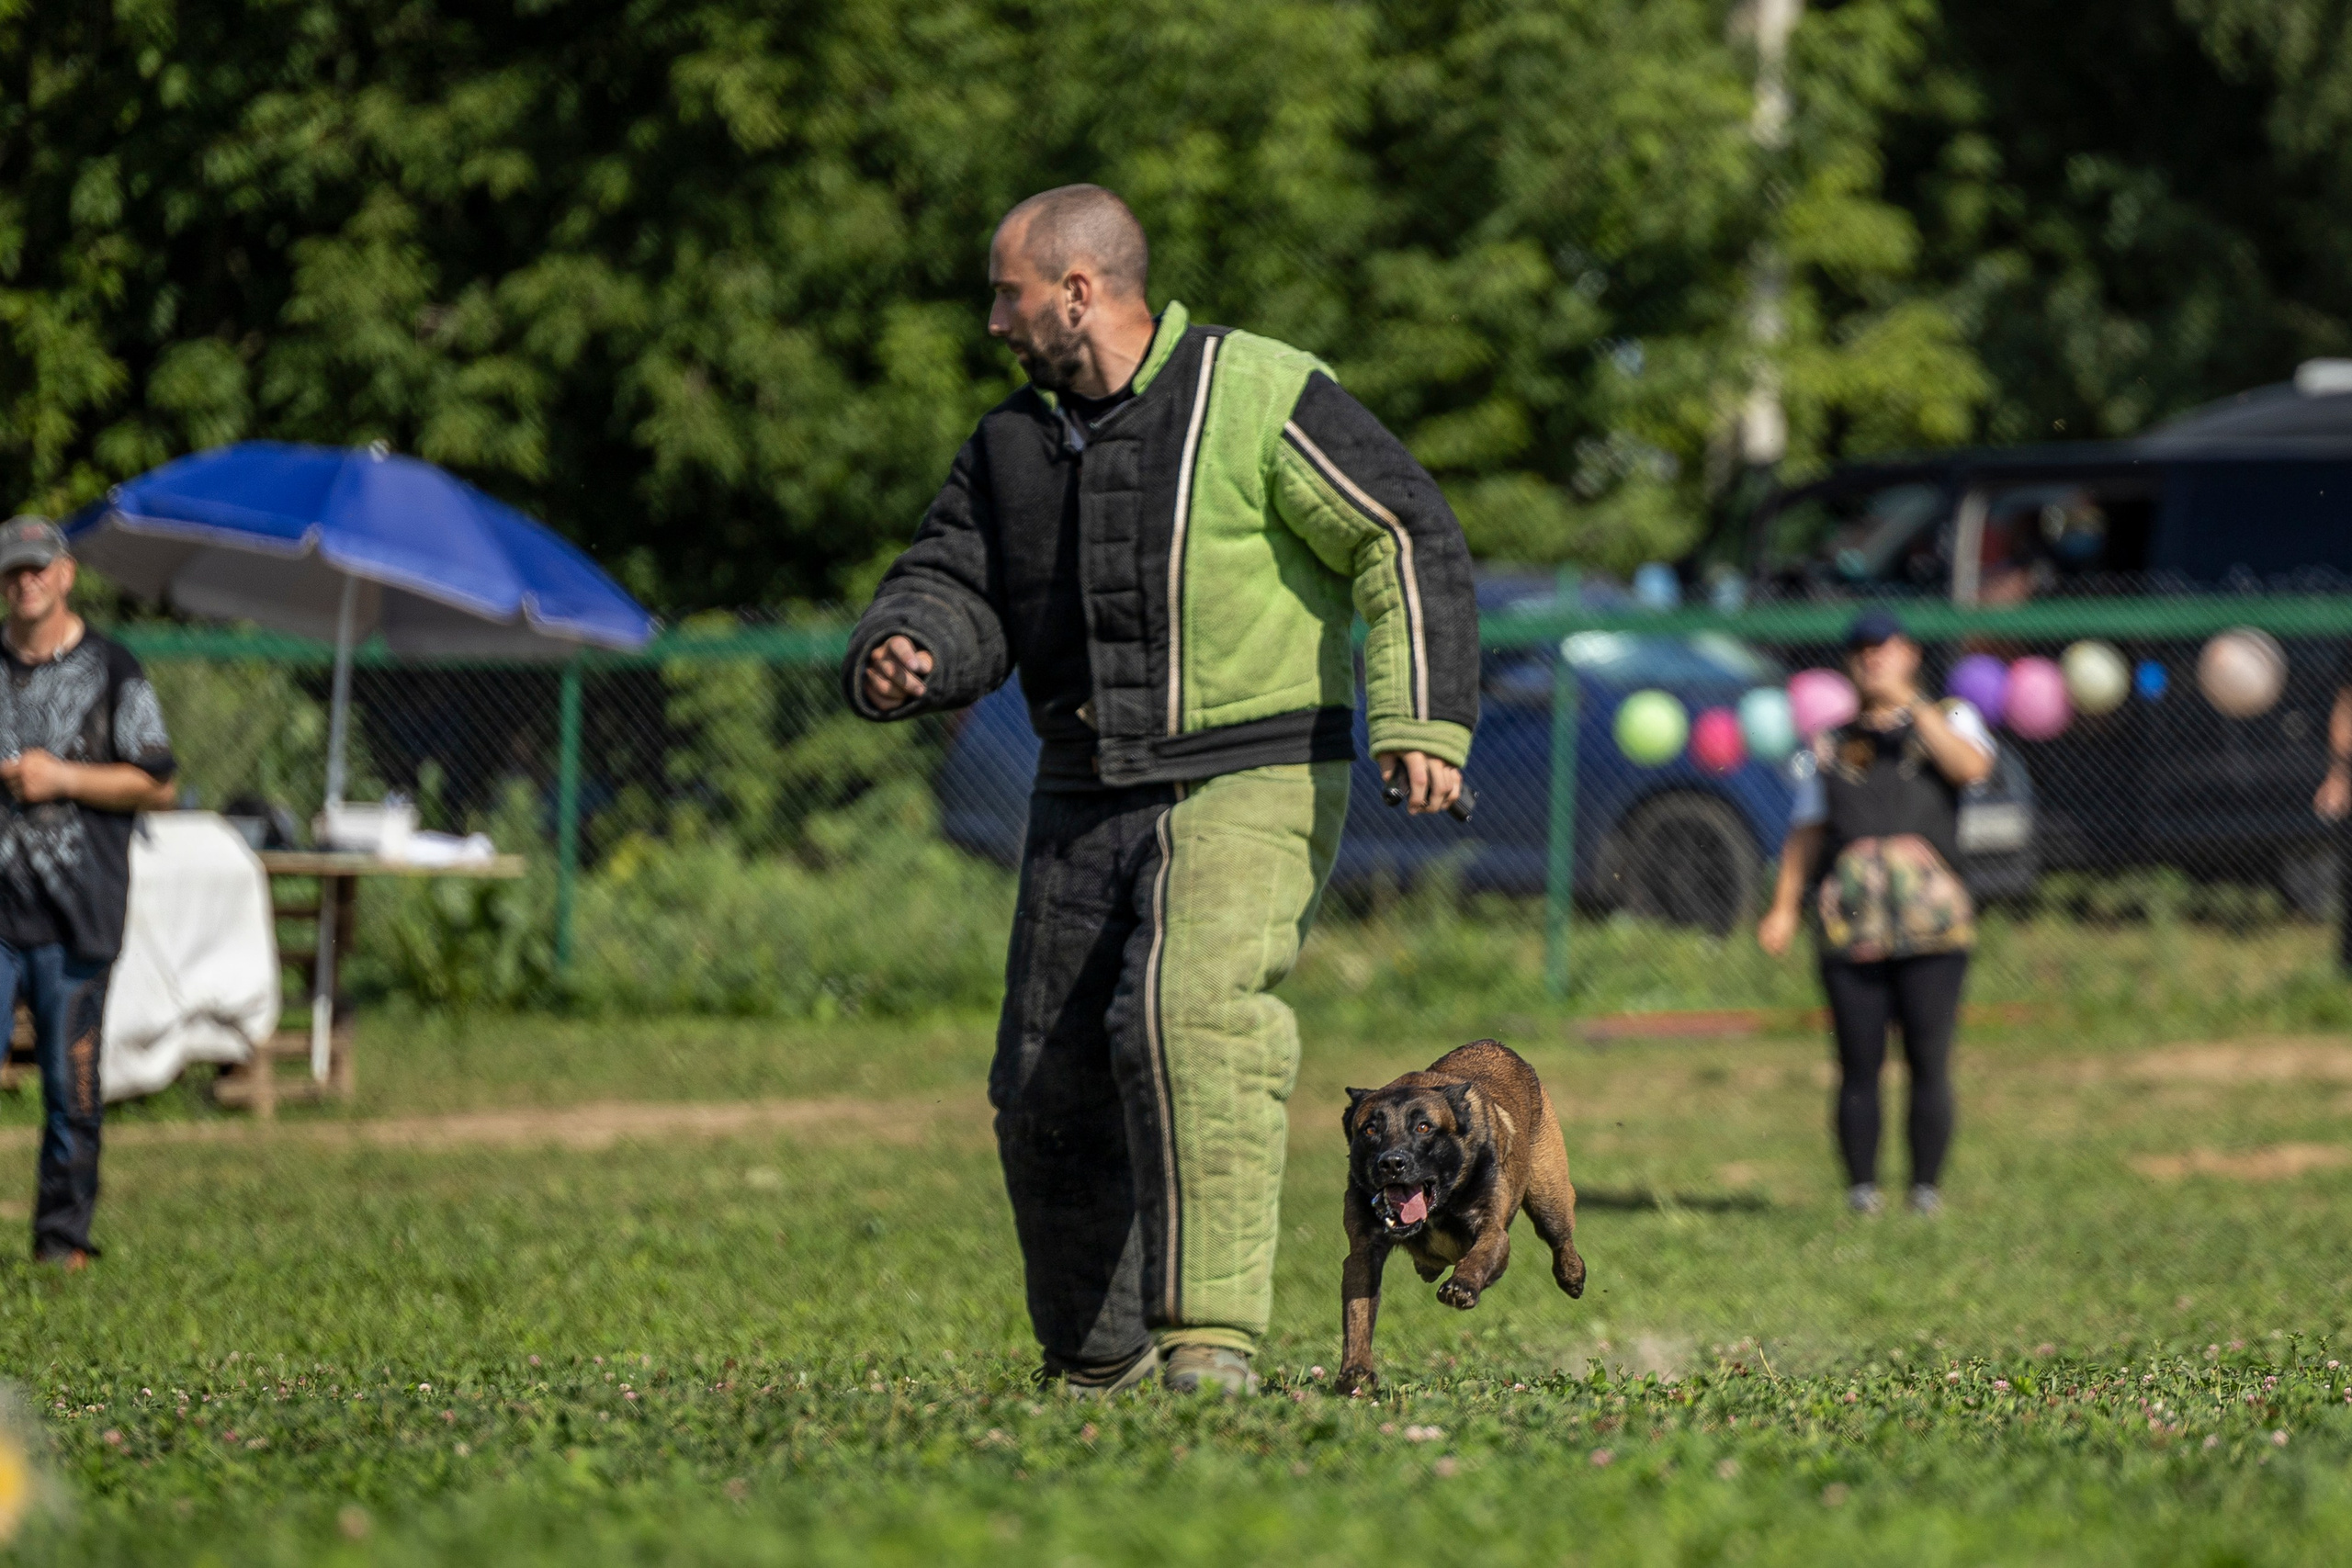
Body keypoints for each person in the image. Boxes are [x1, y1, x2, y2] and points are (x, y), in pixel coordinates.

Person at [843, 186, 1478, 1395]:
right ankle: (1100, 1360)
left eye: (1007, 294)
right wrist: (910, 642)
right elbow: (953, 578)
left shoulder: (1258, 392)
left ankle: (1211, 1346)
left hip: (1253, 769)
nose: (994, 322)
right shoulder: (1010, 445)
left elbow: (1399, 532)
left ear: (1077, 292)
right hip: (1081, 787)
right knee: (1044, 1078)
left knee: (1192, 1014)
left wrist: (1418, 719)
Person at [1758, 610, 1994, 1216]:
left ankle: (1925, 1189)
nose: (1872, 657)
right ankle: (1862, 1189)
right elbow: (1807, 829)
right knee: (1858, 1060)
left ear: (1911, 654)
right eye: (1861, 648)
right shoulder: (1832, 742)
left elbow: (1970, 768)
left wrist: (1912, 708)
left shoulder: (1950, 718)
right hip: (1853, 926)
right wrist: (1783, 908)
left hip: (1932, 928)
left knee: (1928, 1057)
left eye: (1884, 646)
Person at [0, 518, 176, 1269]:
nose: (26, 581)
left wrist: (62, 776)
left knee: (70, 1090)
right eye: (13, 571)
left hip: (77, 914)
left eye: (38, 567)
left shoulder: (114, 669)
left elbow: (159, 783)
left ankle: (61, 1241)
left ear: (66, 574)